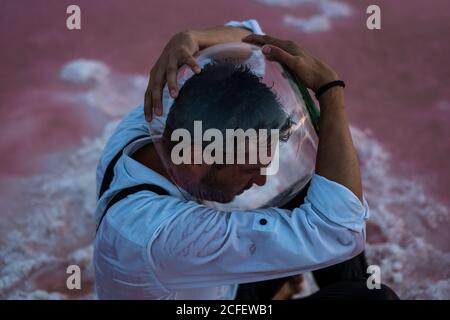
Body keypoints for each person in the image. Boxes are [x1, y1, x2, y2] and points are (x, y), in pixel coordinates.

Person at [93, 19, 398, 300]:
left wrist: (193, 38)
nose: (262, 179)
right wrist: (331, 93)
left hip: (207, 282)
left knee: (312, 190)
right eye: (251, 168)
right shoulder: (157, 233)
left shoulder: (171, 119)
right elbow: (340, 232)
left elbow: (249, 41)